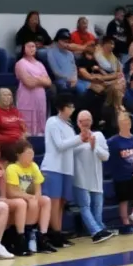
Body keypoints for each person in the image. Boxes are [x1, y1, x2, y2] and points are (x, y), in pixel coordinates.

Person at [5, 141, 58, 255]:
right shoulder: (12, 168)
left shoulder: (33, 166)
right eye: (28, 154)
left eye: (32, 154)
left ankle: (41, 236)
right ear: (19, 155)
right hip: (17, 199)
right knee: (23, 203)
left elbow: (38, 188)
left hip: (29, 198)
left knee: (46, 200)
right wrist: (29, 197)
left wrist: (35, 198)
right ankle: (22, 238)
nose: (31, 157)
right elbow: (11, 193)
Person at [41, 97, 80, 249]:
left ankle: (58, 231)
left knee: (62, 202)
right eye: (69, 106)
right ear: (61, 108)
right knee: (54, 202)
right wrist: (79, 138)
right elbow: (59, 145)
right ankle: (54, 233)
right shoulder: (52, 121)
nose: (72, 110)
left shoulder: (69, 126)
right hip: (53, 167)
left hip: (66, 168)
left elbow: (72, 146)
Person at [70, 110, 112, 243]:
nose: (85, 122)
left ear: (92, 121)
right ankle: (96, 232)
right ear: (78, 123)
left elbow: (105, 156)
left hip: (96, 179)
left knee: (97, 209)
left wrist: (94, 147)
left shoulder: (99, 135)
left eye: (88, 119)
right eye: (82, 120)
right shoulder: (74, 140)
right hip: (80, 179)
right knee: (85, 206)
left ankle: (100, 228)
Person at [106, 111, 133, 232]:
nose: (126, 124)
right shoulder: (113, 141)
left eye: (128, 122)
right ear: (119, 124)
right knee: (123, 200)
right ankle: (126, 224)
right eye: (123, 122)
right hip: (120, 175)